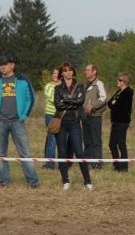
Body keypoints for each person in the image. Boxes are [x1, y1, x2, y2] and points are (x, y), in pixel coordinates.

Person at [0, 54, 39, 188]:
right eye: (0, 65)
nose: (2, 67)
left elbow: (30, 99)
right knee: (0, 154)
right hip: (0, 123)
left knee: (25, 153)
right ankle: (4, 182)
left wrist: (24, 115)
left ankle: (33, 182)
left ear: (12, 65)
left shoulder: (23, 80)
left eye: (5, 64)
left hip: (17, 122)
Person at [54, 62, 92, 190]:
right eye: (65, 70)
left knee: (79, 152)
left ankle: (87, 181)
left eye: (70, 70)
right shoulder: (57, 88)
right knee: (62, 151)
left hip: (75, 122)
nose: (68, 72)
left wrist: (66, 101)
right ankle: (65, 180)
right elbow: (58, 105)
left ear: (73, 72)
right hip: (61, 122)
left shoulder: (80, 86)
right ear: (62, 73)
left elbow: (80, 101)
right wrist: (73, 102)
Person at [82, 64, 107, 170]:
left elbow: (103, 98)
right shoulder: (86, 85)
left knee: (96, 140)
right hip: (85, 116)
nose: (85, 72)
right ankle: (88, 160)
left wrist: (93, 106)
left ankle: (97, 162)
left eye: (88, 70)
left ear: (94, 72)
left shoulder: (99, 84)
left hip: (95, 116)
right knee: (87, 140)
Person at [108, 73, 134, 172]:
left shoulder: (128, 92)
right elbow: (110, 103)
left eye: (119, 80)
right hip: (115, 121)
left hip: (122, 122)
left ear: (125, 82)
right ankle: (117, 164)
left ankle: (124, 166)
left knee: (121, 143)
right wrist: (114, 104)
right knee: (112, 144)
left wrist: (114, 104)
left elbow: (120, 107)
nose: (117, 82)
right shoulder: (118, 91)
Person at [42, 67, 59, 169]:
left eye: (57, 73)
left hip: (61, 115)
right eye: (54, 73)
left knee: (60, 140)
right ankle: (49, 165)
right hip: (50, 115)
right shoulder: (48, 86)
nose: (55, 75)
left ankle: (63, 163)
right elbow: (51, 98)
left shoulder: (64, 85)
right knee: (51, 139)